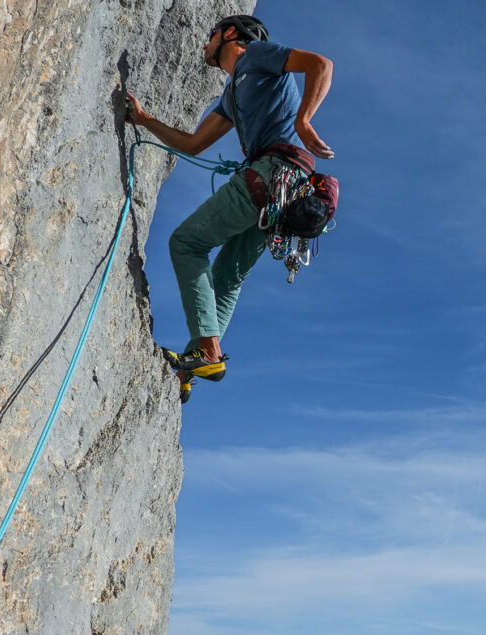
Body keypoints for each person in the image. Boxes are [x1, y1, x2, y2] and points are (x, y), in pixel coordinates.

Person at [124, 14, 334, 403]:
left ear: (230, 34)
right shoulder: (231, 95)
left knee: (186, 242)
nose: (205, 43)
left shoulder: (256, 55)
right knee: (228, 275)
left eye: (211, 34)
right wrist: (144, 119)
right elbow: (192, 144)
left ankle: (206, 351)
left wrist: (303, 120)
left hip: (274, 174)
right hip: (285, 194)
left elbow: (320, 64)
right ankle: (199, 357)